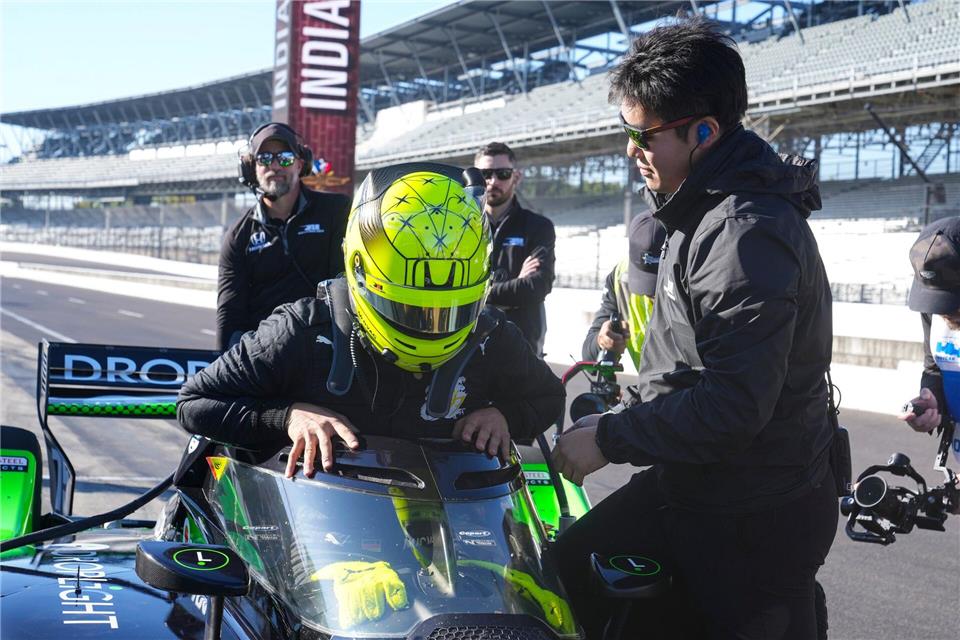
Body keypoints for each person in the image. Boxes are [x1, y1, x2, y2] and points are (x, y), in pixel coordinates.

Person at [551, 18, 837, 640]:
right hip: (706, 484)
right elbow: (689, 367)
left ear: (703, 132)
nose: (631, 150)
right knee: (566, 577)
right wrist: (621, 417)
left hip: (754, 514)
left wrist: (613, 438)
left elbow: (734, 405)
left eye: (643, 135)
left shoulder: (742, 232)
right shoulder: (703, 207)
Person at [179, 162, 564, 479]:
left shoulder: (491, 335)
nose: (431, 327)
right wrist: (286, 417)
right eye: (410, 310)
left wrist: (505, 416)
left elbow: (549, 397)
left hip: (442, 529)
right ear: (360, 274)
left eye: (451, 312)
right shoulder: (301, 329)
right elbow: (195, 402)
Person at [216, 122, 351, 351]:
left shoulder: (337, 211)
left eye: (285, 158)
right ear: (251, 168)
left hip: (327, 351)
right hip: (266, 358)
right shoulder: (239, 236)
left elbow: (347, 287)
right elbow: (229, 318)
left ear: (301, 163)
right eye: (265, 158)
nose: (276, 166)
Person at [475, 142, 556, 357]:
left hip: (522, 348)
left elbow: (537, 286)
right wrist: (513, 287)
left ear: (516, 177)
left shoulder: (538, 226)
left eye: (502, 174)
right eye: (485, 174)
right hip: (469, 347)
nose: (493, 181)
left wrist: (478, 295)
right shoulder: (461, 229)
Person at [899, 216, 960, 482]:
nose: (943, 312)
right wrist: (932, 399)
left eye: (952, 300)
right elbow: (935, 367)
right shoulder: (935, 308)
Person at [582, 211, 665, 370]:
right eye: (645, 281)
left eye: (659, 282)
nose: (651, 294)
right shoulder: (619, 278)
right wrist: (602, 341)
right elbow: (588, 356)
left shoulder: (700, 277)